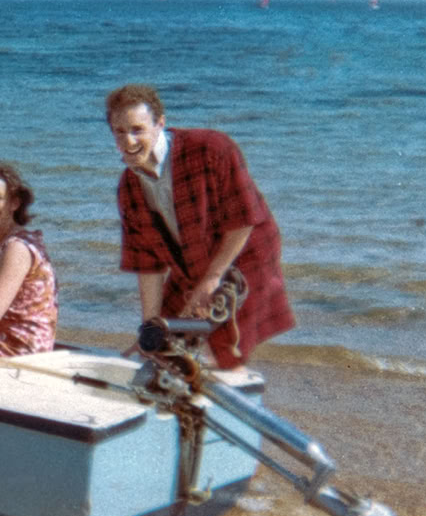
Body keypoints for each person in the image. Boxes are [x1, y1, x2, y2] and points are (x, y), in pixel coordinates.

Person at [106, 83, 294, 368]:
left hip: (247, 256)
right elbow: (148, 265)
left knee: (217, 356)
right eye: (120, 132)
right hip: (192, 265)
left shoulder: (211, 148)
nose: (128, 141)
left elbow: (244, 219)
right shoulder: (128, 188)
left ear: (160, 124)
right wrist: (149, 332)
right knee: (161, 352)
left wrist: (212, 278)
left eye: (137, 129)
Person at [0, 160, 58, 360]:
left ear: (14, 202)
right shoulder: (0, 242)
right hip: (9, 343)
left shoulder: (17, 247)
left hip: (19, 355)